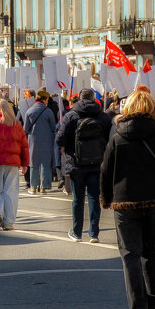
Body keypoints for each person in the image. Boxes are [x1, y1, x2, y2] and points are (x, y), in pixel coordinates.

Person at [100, 91, 155, 309]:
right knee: (152, 254)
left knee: (130, 255)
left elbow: (106, 171)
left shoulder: (117, 136)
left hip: (125, 202)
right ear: (153, 109)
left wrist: (106, 199)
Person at [56, 89, 113, 243]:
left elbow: (60, 138)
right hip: (96, 162)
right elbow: (110, 137)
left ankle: (76, 232)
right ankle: (94, 233)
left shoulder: (71, 115)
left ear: (79, 98)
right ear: (94, 99)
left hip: (75, 163)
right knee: (94, 197)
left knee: (78, 199)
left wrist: (65, 147)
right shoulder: (102, 116)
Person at [0, 100, 28, 231]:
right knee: (11, 192)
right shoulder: (16, 124)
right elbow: (24, 145)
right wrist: (25, 163)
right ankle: (9, 222)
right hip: (13, 162)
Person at [20, 89, 57, 193]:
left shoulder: (29, 111)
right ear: (44, 99)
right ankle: (44, 187)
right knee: (45, 163)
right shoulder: (48, 111)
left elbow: (25, 128)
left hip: (33, 140)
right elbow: (53, 127)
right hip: (47, 140)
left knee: (33, 162)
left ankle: (33, 186)